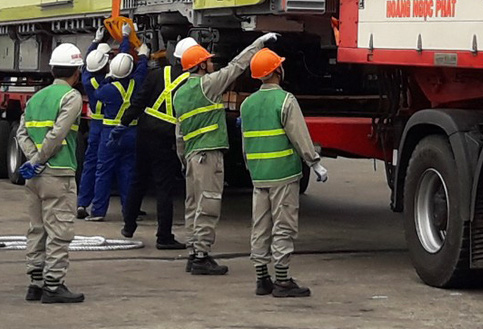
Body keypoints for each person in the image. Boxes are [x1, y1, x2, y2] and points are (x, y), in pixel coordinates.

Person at [172, 32, 277, 275]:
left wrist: (182, 158)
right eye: (208, 61)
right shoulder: (208, 85)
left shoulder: (179, 94)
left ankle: (192, 252)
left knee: (193, 205)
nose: (211, 64)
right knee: (208, 204)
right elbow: (237, 66)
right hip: (208, 155)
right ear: (200, 65)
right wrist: (259, 43)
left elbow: (179, 133)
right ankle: (201, 256)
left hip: (191, 156)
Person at [240, 47, 328, 298]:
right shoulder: (286, 101)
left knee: (260, 226)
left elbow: (246, 143)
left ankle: (261, 279)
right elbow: (300, 136)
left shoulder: (247, 104)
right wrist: (314, 163)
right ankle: (282, 281)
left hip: (259, 176)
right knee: (283, 226)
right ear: (277, 70)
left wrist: (252, 168)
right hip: (283, 175)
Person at [16, 43, 86, 304]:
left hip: (34, 176)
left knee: (37, 228)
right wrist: (41, 159)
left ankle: (35, 283)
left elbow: (21, 133)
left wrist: (33, 160)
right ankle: (53, 285)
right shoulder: (71, 97)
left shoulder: (36, 97)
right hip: (58, 174)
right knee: (59, 230)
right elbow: (58, 133)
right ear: (76, 72)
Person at [119, 41, 189, 250]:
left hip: (145, 131)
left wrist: (123, 123)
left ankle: (128, 226)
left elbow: (139, 101)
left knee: (138, 180)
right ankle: (164, 236)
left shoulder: (157, 74)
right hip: (166, 137)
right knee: (164, 186)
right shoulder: (190, 83)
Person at [87, 46, 148, 222]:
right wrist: (143, 56)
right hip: (132, 133)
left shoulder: (107, 90)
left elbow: (96, 94)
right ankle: (129, 211)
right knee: (128, 172)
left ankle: (98, 211)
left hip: (110, 135)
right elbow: (142, 70)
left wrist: (108, 78)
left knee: (103, 171)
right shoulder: (136, 83)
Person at [76, 39, 109, 220]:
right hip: (108, 125)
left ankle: (82, 203)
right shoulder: (109, 83)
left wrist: (95, 42)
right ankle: (98, 207)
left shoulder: (87, 80)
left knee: (90, 165)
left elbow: (87, 65)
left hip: (94, 125)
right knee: (104, 167)